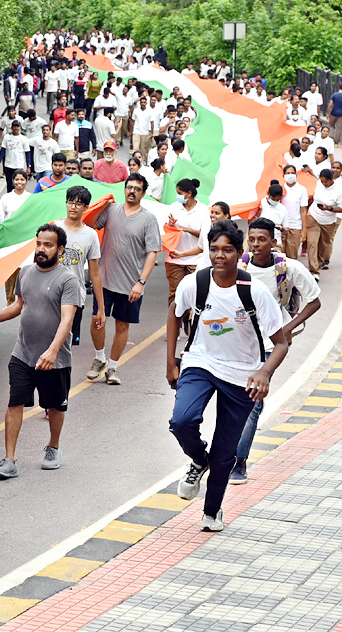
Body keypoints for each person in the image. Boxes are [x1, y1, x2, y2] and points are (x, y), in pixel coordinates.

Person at [168, 221, 289, 532]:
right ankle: (197, 459)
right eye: (214, 249)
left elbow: (281, 342)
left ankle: (212, 511)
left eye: (227, 250)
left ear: (239, 252)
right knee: (182, 420)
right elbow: (174, 311)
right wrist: (171, 361)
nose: (219, 256)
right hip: (200, 362)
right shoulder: (195, 283)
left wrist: (264, 371)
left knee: (225, 452)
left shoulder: (254, 291)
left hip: (242, 374)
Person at [0, 225, 81, 479]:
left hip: (55, 359)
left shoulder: (68, 280)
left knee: (55, 407)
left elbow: (67, 320)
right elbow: (18, 305)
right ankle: (9, 460)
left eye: (48, 245)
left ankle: (53, 447)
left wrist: (53, 351)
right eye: (39, 244)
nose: (41, 249)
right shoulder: (26, 272)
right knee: (15, 402)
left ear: (60, 249)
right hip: (22, 353)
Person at [228, 218, 322, 485]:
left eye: (262, 240)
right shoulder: (239, 265)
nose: (256, 245)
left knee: (253, 402)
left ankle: (239, 461)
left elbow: (314, 301)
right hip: (237, 343)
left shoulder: (288, 268)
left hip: (270, 345)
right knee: (233, 398)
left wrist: (288, 328)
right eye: (252, 239)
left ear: (273, 242)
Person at [88, 175, 161, 386]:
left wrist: (141, 282)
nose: (132, 191)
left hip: (131, 285)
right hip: (105, 279)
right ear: (124, 189)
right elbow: (91, 223)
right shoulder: (112, 210)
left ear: (143, 193)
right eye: (129, 187)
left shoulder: (148, 219)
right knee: (97, 320)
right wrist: (102, 205)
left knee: (122, 326)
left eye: (137, 189)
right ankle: (99, 358)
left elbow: (152, 254)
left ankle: (112, 367)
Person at [58, 186, 105, 348]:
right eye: (70, 202)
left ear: (86, 208)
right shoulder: (55, 228)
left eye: (78, 204)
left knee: (66, 344)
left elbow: (95, 273)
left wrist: (101, 308)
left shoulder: (90, 235)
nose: (73, 207)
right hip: (51, 294)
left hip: (75, 296)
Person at [166, 178, 211, 306]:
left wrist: (187, 230)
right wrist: (171, 226)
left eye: (180, 193)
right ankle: (175, 324)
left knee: (195, 294)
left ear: (189, 193)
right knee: (175, 294)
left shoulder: (203, 210)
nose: (178, 196)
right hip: (174, 259)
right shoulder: (174, 208)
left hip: (196, 259)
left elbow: (204, 235)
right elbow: (167, 231)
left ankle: (191, 324)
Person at [305, 167, 342, 277]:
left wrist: (329, 209)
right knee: (312, 243)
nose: (323, 183)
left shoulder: (338, 191)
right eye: (322, 181)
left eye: (326, 181)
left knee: (324, 245)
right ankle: (314, 270)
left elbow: (341, 208)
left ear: (331, 180)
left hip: (328, 220)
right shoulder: (319, 184)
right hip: (314, 216)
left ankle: (320, 263)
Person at [280, 164, 309, 258]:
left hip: (295, 226)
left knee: (292, 256)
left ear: (296, 175)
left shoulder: (302, 190)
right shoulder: (280, 189)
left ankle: (291, 273)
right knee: (280, 256)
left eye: (292, 173)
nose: (290, 175)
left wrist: (304, 231)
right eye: (288, 173)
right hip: (280, 227)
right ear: (283, 175)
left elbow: (303, 211)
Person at [0, 120, 31, 188]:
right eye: (14, 126)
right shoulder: (7, 137)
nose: (16, 128)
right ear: (11, 128)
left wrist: (28, 166)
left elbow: (27, 153)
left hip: (19, 165)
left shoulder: (24, 139)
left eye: (17, 126)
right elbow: (3, 150)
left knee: (18, 185)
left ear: (20, 128)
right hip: (8, 165)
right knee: (9, 185)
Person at [258, 182, 289, 247]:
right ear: (268, 194)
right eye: (273, 199)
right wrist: (258, 213)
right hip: (260, 241)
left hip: (276, 241)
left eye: (277, 199)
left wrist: (281, 229)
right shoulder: (260, 204)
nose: (275, 201)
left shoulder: (282, 209)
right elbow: (251, 222)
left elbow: (286, 228)